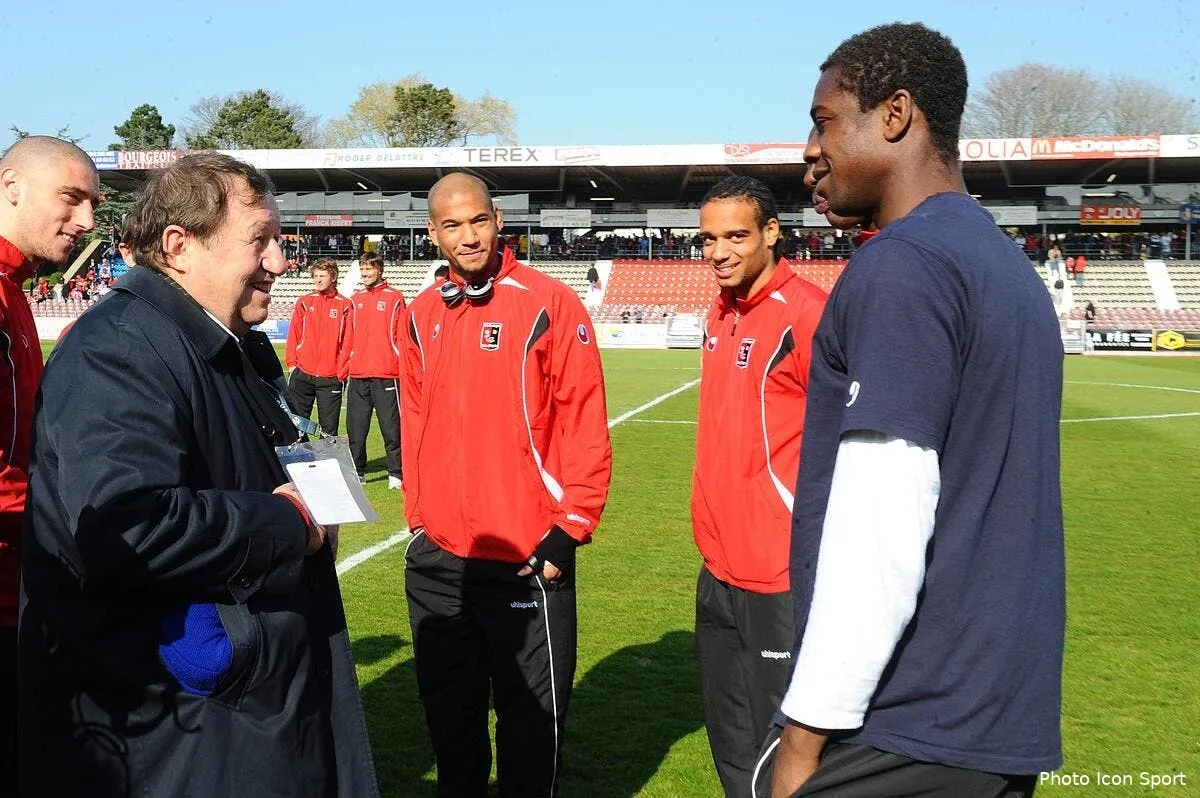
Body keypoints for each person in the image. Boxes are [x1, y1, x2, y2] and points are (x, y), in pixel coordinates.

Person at [19, 152, 379, 797]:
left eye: (279, 241)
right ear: (179, 247)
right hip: (185, 720)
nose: (279, 261)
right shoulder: (119, 347)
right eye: (259, 240)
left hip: (244, 698)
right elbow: (127, 527)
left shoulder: (229, 338)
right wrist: (287, 523)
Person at [764, 23, 1063, 798]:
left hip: (906, 719)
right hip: (994, 715)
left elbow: (882, 525)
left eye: (825, 121)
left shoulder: (903, 267)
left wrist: (804, 732)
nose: (809, 149)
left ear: (895, 114)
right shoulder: (1002, 265)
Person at [401, 173, 611, 796]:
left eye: (478, 221)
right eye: (452, 225)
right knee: (451, 725)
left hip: (526, 555)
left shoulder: (550, 303)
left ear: (497, 221)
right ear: (433, 233)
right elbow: (413, 419)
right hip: (440, 558)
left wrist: (571, 527)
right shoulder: (421, 314)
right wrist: (419, 518)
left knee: (530, 730)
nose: (468, 236)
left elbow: (583, 419)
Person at [691, 176, 827, 798]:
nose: (719, 252)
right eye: (708, 239)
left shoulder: (808, 314)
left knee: (787, 750)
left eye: (735, 236)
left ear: (772, 232)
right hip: (718, 565)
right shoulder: (719, 310)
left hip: (780, 572)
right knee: (730, 738)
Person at [0, 135, 99, 797]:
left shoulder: (14, 290)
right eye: (72, 197)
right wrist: (66, 527)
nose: (87, 220)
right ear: (11, 186)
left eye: (93, 204)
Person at [345, 252, 405, 487]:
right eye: (362, 269)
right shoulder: (355, 299)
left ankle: (396, 473)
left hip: (387, 373)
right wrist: (348, 364)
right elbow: (349, 336)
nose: (364, 273)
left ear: (379, 270)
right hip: (358, 374)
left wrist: (398, 363)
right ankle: (358, 471)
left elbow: (401, 336)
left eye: (368, 269)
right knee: (356, 429)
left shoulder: (395, 297)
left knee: (391, 428)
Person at [285, 258, 353, 435]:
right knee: (296, 426)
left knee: (328, 431)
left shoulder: (345, 305)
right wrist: (292, 364)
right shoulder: (305, 302)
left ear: (333, 277)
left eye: (322, 276)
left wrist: (341, 372)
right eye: (315, 276)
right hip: (302, 373)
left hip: (330, 377)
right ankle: (300, 453)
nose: (318, 280)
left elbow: (349, 342)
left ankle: (327, 454)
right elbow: (294, 334)